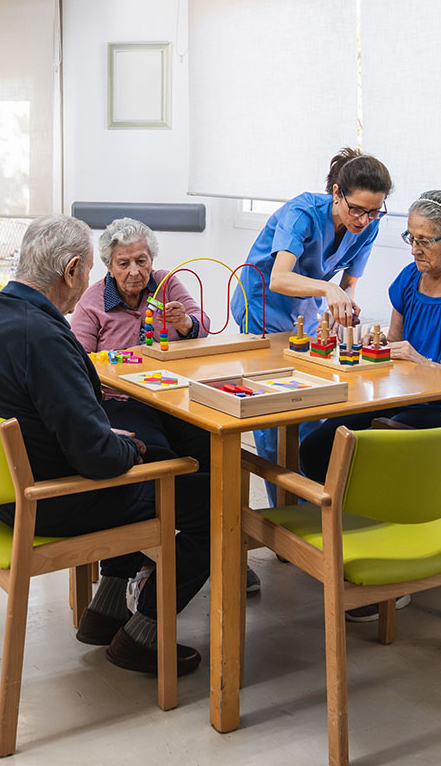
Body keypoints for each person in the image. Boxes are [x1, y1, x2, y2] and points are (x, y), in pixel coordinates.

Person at [0, 213, 210, 676]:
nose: (89, 279)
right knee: (211, 499)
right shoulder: (46, 336)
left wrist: (109, 439)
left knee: (148, 472)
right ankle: (143, 635)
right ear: (71, 270)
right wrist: (132, 449)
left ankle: (106, 610)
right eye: (91, 268)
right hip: (50, 501)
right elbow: (99, 458)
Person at [298, 189, 441, 622]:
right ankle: (363, 546)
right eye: (410, 238)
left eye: (426, 240)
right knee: (319, 443)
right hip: (406, 398)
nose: (415, 248)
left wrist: (427, 364)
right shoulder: (408, 280)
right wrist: (368, 348)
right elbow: (394, 354)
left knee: (369, 453)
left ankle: (391, 573)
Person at [69, 218, 259, 596]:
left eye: (141, 260)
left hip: (173, 398)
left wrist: (186, 322)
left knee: (214, 449)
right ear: (109, 265)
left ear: (152, 259)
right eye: (124, 264)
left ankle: (225, 552)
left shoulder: (167, 282)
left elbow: (202, 325)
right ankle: (140, 560)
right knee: (156, 457)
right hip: (121, 402)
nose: (135, 271)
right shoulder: (92, 301)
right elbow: (79, 361)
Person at [230, 148, 394, 504]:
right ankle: (286, 517)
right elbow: (279, 278)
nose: (365, 220)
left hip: (304, 308)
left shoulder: (368, 225)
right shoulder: (301, 213)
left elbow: (349, 281)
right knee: (273, 408)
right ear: (336, 193)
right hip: (261, 305)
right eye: (357, 209)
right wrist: (329, 289)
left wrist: (342, 309)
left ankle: (309, 508)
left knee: (308, 404)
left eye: (374, 211)